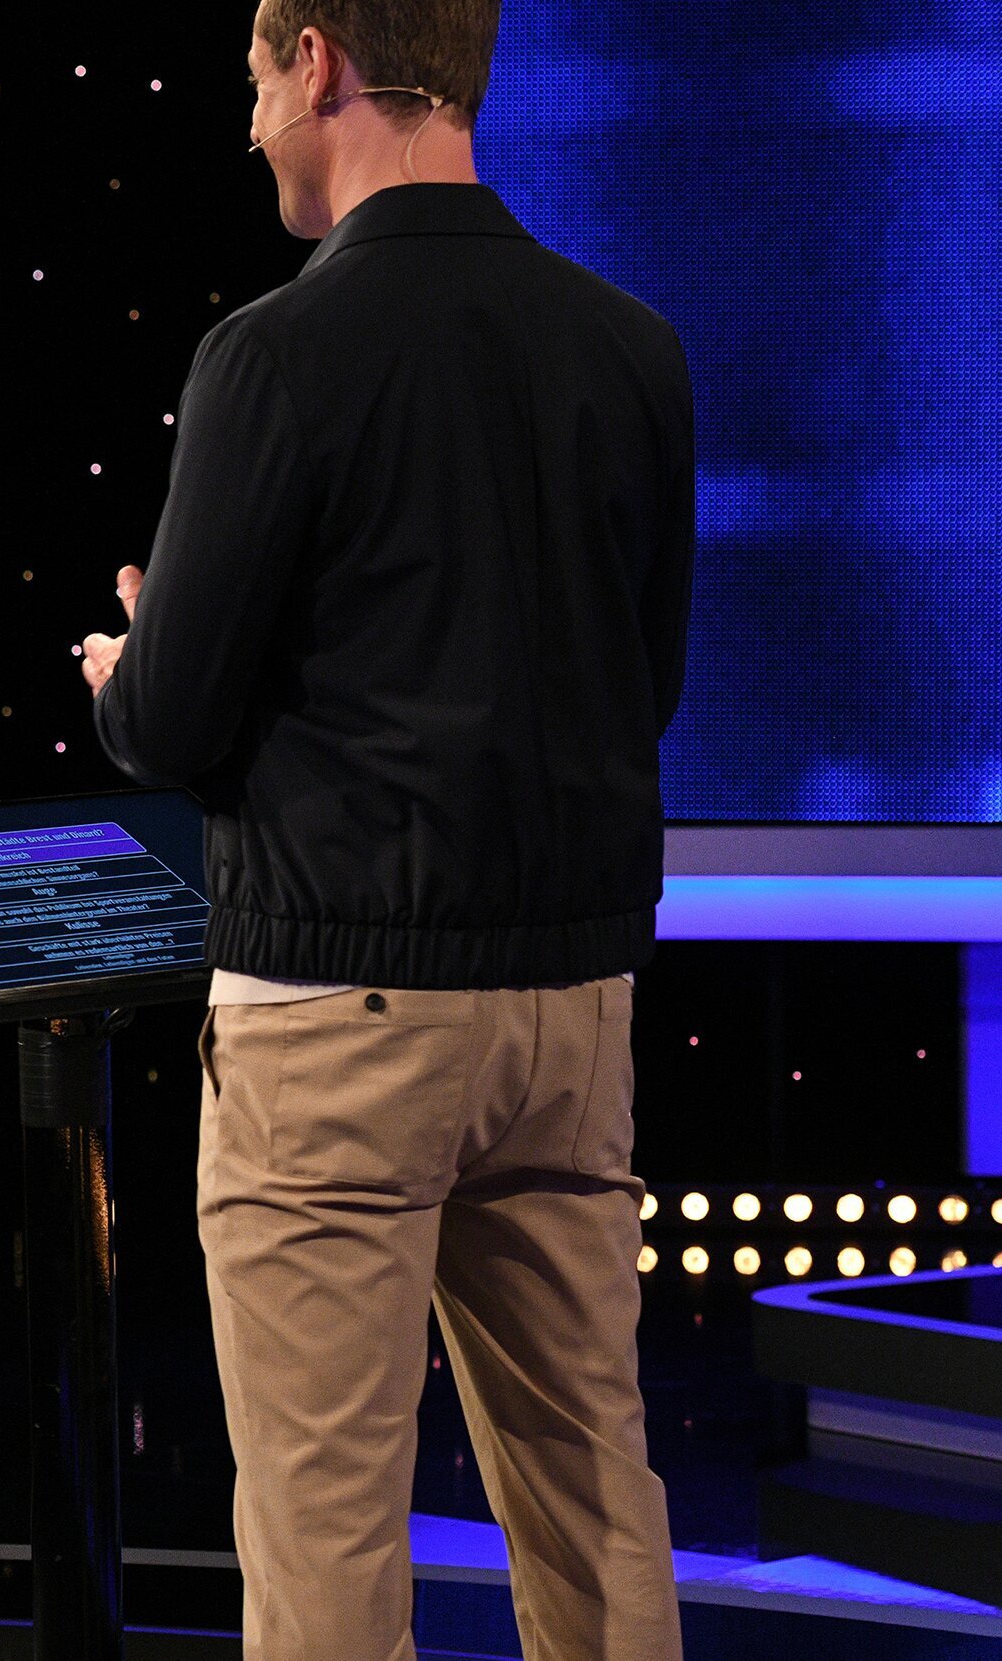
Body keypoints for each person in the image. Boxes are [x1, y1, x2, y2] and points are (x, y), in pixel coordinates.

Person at [81, 4, 695, 1657]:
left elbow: (171, 727)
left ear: (317, 60)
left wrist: (131, 666)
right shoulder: (629, 345)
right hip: (567, 1014)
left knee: (323, 1529)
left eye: (251, 84)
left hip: (333, 1029)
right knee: (592, 1493)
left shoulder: (270, 355)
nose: (249, 130)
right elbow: (641, 688)